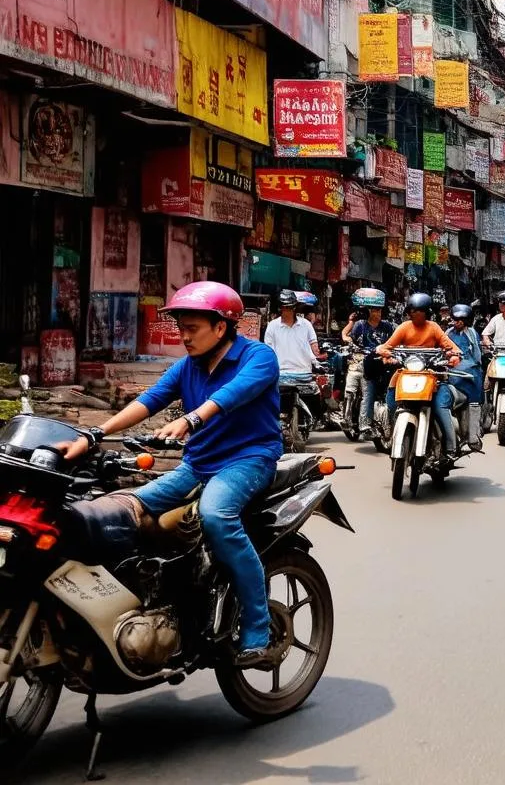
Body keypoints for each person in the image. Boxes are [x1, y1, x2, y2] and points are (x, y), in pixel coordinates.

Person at [57, 282, 283, 666]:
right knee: (115, 508)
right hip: (196, 464)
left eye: (192, 328)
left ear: (221, 327)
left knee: (216, 516)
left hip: (247, 461)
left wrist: (191, 420)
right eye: (182, 328)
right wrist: (94, 435)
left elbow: (231, 396)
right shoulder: (187, 367)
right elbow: (148, 401)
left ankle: (257, 627)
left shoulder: (258, 357)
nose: (184, 337)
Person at [377, 293, 463, 456]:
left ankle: (451, 446)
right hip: (407, 373)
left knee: (439, 406)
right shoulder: (403, 328)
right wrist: (386, 355)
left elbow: (451, 347)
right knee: (391, 400)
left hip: (431, 374)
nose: (416, 314)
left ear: (427, 313)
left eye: (420, 311)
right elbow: (387, 347)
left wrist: (453, 356)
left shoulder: (434, 328)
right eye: (413, 311)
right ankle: (390, 431)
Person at [342, 288, 395, 436]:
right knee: (364, 391)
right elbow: (348, 338)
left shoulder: (387, 326)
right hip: (364, 363)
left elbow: (394, 341)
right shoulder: (360, 325)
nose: (377, 314)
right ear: (368, 312)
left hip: (382, 362)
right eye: (374, 311)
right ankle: (360, 422)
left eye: (379, 311)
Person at [447, 303, 484, 450]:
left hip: (470, 374)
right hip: (451, 372)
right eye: (456, 319)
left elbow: (477, 356)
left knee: (474, 401)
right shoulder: (448, 333)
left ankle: (473, 437)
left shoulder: (473, 334)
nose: (458, 322)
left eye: (461, 320)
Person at [264, 289, 319, 375]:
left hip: (304, 372)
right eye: (285, 307)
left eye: (290, 307)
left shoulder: (306, 324)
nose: (287, 310)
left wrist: (318, 358)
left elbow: (314, 345)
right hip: (281, 373)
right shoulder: (272, 326)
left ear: (294, 307)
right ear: (280, 308)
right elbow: (268, 351)